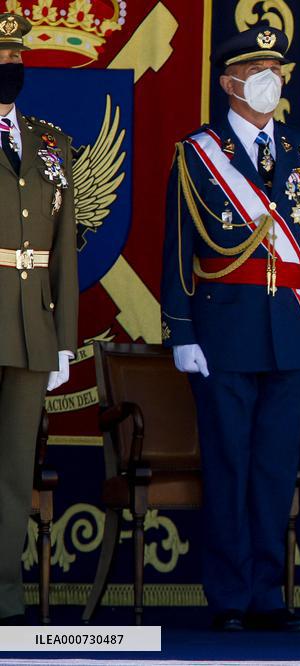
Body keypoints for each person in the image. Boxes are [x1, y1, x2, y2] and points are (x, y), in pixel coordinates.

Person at [160, 25, 300, 632]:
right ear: (228, 81)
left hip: (290, 328)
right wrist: (182, 331)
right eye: (257, 68)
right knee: (229, 464)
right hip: (223, 332)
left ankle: (268, 593)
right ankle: (229, 596)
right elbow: (178, 247)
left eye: (277, 68)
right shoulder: (199, 152)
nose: (271, 78)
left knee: (273, 468)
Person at [0, 13, 77, 626]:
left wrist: (64, 343)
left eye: (14, 57)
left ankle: (5, 594)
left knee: (12, 470)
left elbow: (63, 250)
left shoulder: (52, 144)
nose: (9, 68)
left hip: (31, 327)